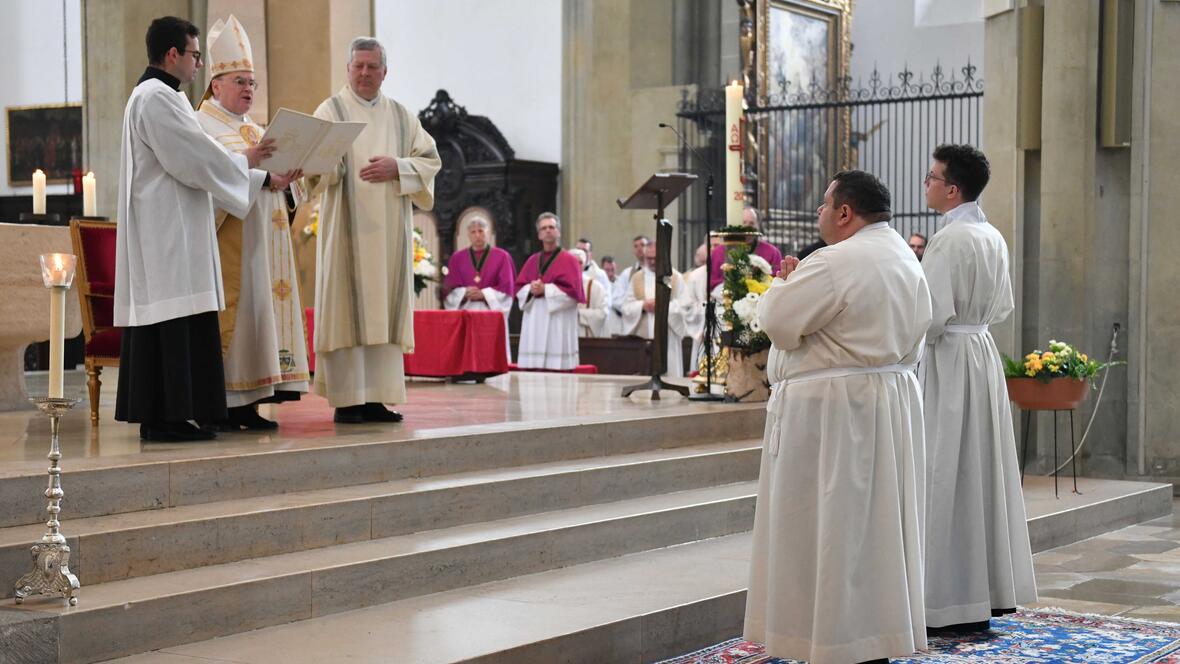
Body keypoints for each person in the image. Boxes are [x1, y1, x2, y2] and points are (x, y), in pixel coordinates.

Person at [744, 170, 931, 664]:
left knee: (828, 529)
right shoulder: (905, 257)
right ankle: (873, 637)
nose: (820, 213)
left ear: (845, 212)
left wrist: (784, 283)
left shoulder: (834, 260)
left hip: (831, 414)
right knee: (874, 533)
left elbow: (776, 322)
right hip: (886, 403)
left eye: (825, 205)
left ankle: (831, 641)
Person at [114, 16, 275, 442]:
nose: (199, 64)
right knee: (173, 318)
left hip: (172, 226)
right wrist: (246, 161)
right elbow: (192, 156)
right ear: (173, 54)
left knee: (174, 321)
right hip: (168, 232)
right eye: (195, 55)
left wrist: (244, 169)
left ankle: (170, 416)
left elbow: (194, 153)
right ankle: (166, 418)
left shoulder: (161, 95)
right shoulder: (155, 97)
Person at [919, 144, 1036, 632]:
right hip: (981, 353)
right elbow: (1003, 306)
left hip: (949, 358)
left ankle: (944, 600)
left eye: (932, 177)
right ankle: (982, 592)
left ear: (952, 189)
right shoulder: (993, 236)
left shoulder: (948, 240)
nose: (926, 184)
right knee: (980, 470)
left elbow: (929, 318)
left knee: (945, 468)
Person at [304, 37, 441, 424]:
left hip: (388, 238)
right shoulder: (330, 111)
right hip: (346, 234)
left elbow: (430, 160)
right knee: (346, 311)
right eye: (359, 66)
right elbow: (312, 167)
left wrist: (399, 167)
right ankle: (349, 400)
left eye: (372, 67)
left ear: (385, 72)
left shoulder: (402, 116)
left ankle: (378, 398)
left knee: (384, 312)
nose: (365, 73)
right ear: (348, 69)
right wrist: (332, 165)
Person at [196, 15, 308, 430]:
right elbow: (208, 181)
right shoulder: (201, 126)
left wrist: (291, 182)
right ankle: (224, 405)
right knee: (239, 323)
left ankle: (251, 403)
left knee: (262, 321)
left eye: (252, 83)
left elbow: (278, 185)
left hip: (266, 248)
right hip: (232, 248)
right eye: (240, 81)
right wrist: (263, 178)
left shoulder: (256, 130)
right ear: (216, 85)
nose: (248, 90)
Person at [515, 213, 584, 369]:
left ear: (558, 232)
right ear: (539, 235)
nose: (548, 231)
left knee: (557, 367)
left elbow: (574, 294)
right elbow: (519, 288)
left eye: (551, 227)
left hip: (558, 319)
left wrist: (545, 289)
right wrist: (531, 289)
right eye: (544, 228)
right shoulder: (532, 260)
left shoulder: (570, 260)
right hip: (535, 317)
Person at [442, 216, 516, 358]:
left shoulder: (502, 257)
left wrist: (485, 294)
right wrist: (464, 292)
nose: (477, 235)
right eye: (473, 232)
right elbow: (449, 289)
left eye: (481, 231)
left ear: (488, 232)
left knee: (490, 351)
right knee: (468, 351)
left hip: (490, 313)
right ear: (468, 235)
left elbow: (507, 288)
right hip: (466, 311)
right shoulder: (457, 258)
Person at [619, 242, 688, 377]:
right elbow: (626, 307)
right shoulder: (637, 278)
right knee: (644, 375)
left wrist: (663, 307)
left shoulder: (675, 277)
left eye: (655, 258)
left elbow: (685, 305)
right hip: (644, 338)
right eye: (648, 258)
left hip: (668, 335)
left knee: (669, 374)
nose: (652, 262)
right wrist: (642, 305)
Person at [709, 207, 783, 290]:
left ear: (758, 226)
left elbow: (778, 281)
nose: (747, 227)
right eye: (744, 223)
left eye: (752, 223)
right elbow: (712, 282)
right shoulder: (718, 252)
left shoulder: (773, 252)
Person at [608, 235, 649, 335]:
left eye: (642, 245)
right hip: (633, 323)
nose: (639, 248)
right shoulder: (627, 274)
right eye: (636, 246)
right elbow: (616, 299)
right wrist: (636, 307)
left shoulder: (657, 272)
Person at [570, 248, 608, 338]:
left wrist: (580, 314)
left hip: (585, 336)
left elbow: (603, 313)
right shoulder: (558, 286)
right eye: (572, 262)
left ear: (584, 265)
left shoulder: (595, 287)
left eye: (579, 262)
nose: (576, 265)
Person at [574, 237, 612, 305]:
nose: (580, 253)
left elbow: (607, 300)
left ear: (590, 254)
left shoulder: (600, 275)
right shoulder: (568, 272)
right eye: (578, 250)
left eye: (584, 251)